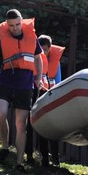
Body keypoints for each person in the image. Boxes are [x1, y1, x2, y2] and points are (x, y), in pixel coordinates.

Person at [0, 9, 44, 171]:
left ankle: (19, 162)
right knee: (1, 113)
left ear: (21, 22)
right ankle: (5, 147)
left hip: (25, 86)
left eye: (18, 24)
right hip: (5, 82)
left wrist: (38, 77)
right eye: (11, 25)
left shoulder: (32, 38)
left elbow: (38, 58)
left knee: (21, 124)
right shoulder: (1, 42)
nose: (15, 28)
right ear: (7, 25)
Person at [26, 34, 64, 166]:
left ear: (50, 49)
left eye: (45, 50)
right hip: (35, 96)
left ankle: (55, 159)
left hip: (50, 97)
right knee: (32, 126)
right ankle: (35, 157)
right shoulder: (34, 60)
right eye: (40, 50)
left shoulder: (55, 63)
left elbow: (58, 82)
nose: (43, 53)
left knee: (51, 128)